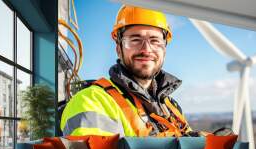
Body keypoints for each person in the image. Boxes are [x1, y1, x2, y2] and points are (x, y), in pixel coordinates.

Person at [61, 5, 195, 137]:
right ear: (119, 49)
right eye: (135, 40)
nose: (146, 49)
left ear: (164, 50)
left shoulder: (171, 107)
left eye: (155, 41)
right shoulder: (92, 101)